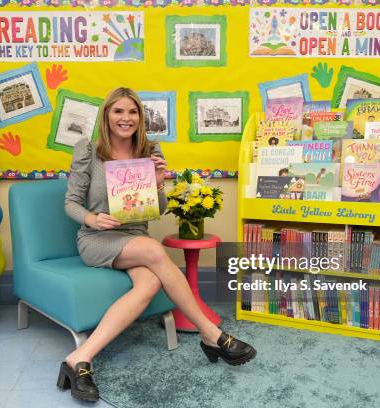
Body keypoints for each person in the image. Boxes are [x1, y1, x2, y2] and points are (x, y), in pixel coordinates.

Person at [61, 87, 256, 402]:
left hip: (135, 235)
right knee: (153, 250)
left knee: (150, 282)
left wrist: (158, 183)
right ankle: (211, 335)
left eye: (133, 112)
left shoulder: (150, 151)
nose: (126, 118)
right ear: (106, 115)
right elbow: (70, 204)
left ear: (140, 118)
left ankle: (79, 359)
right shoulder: (88, 150)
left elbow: (158, 208)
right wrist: (93, 220)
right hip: (98, 238)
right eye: (118, 111)